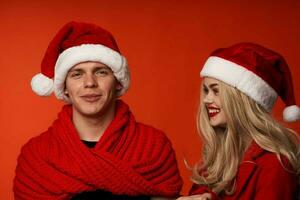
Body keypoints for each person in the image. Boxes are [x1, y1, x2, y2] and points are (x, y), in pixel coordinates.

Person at [13, 21, 183, 200]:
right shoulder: (36, 156)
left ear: (118, 82)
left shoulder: (153, 147)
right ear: (64, 87)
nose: (89, 83)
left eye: (101, 72)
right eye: (77, 74)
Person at [178, 43, 300, 200]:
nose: (207, 100)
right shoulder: (217, 159)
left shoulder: (275, 165)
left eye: (216, 91)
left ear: (241, 100)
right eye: (206, 91)